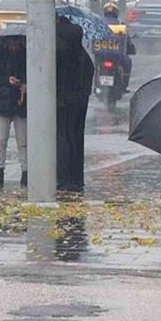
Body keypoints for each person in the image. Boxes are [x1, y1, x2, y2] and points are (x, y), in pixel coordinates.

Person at [56, 16, 94, 193]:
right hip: (80, 104)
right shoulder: (83, 55)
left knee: (62, 138)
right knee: (76, 139)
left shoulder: (58, 50)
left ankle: (63, 178)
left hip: (62, 103)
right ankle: (76, 179)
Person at [0, 36, 28, 187]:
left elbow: (31, 75)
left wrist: (25, 85)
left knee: (23, 141)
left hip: (21, 103)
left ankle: (25, 172)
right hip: (4, 103)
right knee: (1, 140)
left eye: (16, 43)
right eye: (10, 43)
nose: (13, 46)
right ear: (5, 43)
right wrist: (7, 80)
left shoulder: (26, 57)